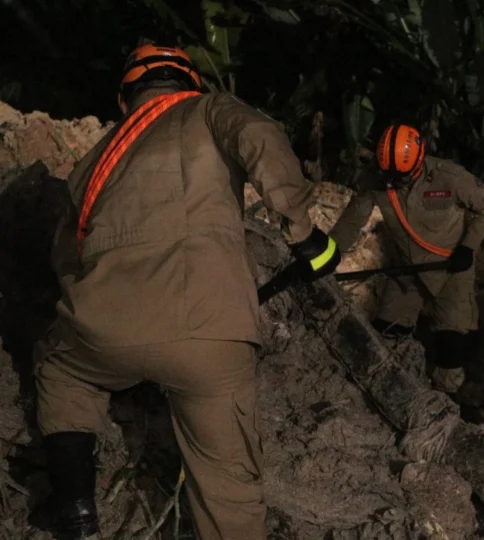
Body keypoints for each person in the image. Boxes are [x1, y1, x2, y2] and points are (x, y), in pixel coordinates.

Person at [31, 43, 341, 540]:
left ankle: (76, 509)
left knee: (60, 372)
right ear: (189, 82)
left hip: (103, 334)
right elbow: (260, 134)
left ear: (124, 99)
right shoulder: (209, 108)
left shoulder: (95, 160)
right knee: (228, 488)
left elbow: (64, 258)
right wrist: (303, 234)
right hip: (209, 333)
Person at [328, 124, 484, 394]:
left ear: (418, 164)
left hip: (451, 271)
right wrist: (327, 256)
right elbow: (351, 221)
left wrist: (468, 247)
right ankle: (382, 398)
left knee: (451, 349)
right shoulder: (377, 179)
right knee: (385, 337)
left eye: (401, 177)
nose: (393, 183)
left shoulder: (448, 177)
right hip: (407, 272)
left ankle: (445, 409)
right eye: (389, 176)